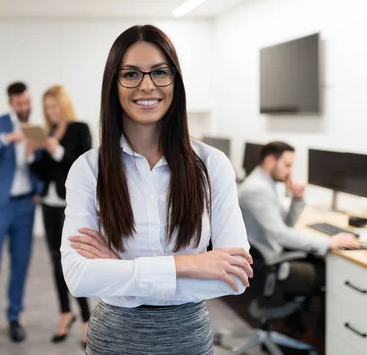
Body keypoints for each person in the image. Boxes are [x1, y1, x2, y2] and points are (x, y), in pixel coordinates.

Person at [61, 25, 253, 355]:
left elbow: (232, 277)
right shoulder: (88, 170)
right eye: (131, 74)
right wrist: (191, 264)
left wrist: (119, 267)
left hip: (188, 340)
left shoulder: (212, 165)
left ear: (175, 81)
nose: (147, 85)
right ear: (114, 84)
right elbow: (79, 277)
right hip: (114, 341)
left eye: (160, 72)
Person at [238, 141, 361, 338]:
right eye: (287, 165)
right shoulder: (257, 189)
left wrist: (297, 198)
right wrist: (329, 242)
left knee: (317, 259)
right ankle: (325, 336)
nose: (290, 171)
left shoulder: (265, 184)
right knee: (329, 274)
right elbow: (280, 235)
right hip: (270, 267)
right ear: (270, 161)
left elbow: (285, 226)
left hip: (269, 257)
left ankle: (294, 326)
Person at [0, 82, 41, 355]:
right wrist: (8, 138)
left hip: (25, 206)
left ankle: (14, 318)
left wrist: (37, 188)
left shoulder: (35, 129)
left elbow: (39, 167)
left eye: (27, 103)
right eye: (19, 104)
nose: (24, 108)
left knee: (20, 266)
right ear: (11, 103)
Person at [26, 85, 92, 346]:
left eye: (53, 106)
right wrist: (32, 156)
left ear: (63, 105)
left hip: (70, 205)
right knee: (55, 261)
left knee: (73, 261)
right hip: (49, 203)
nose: (50, 112)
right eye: (47, 108)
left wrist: (57, 150)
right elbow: (45, 173)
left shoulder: (79, 129)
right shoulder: (48, 132)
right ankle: (65, 313)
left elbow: (84, 164)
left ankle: (87, 319)